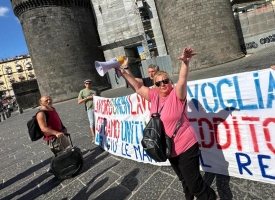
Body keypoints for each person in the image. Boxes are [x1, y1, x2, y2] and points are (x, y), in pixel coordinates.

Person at [117, 47, 218, 200]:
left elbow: (183, 80)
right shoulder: (154, 96)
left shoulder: (177, 95)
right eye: (158, 83)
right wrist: (125, 68)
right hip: (168, 147)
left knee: (195, 185)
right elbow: (137, 86)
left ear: (171, 83)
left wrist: (185, 63)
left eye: (165, 81)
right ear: (155, 87)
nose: (162, 84)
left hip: (186, 146)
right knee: (184, 180)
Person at [77, 79, 101, 143]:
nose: (88, 84)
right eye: (87, 83)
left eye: (89, 83)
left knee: (99, 121)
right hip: (90, 108)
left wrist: (96, 96)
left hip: (98, 107)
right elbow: (79, 102)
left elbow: (100, 98)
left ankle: (101, 134)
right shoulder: (82, 91)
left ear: (91, 84)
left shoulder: (95, 90)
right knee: (92, 122)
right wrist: (87, 98)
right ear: (85, 84)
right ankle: (94, 136)